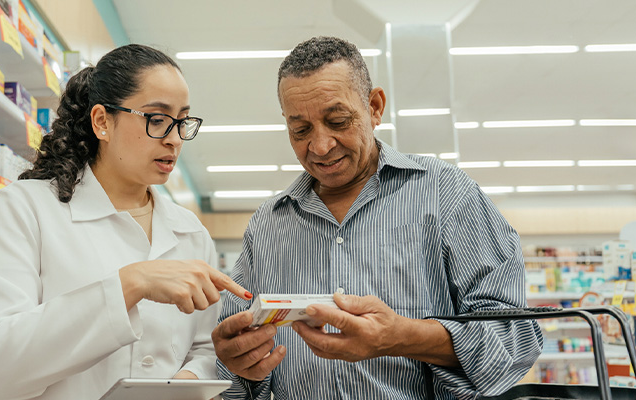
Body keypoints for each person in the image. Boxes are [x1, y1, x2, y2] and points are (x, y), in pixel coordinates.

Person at [212, 36, 543, 399]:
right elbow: (231, 372)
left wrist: (401, 337)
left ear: (374, 107)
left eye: (337, 120)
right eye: (301, 130)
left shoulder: (446, 194)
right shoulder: (267, 226)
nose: (321, 146)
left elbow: (515, 338)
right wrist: (238, 365)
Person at [0, 44, 251, 400]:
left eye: (182, 122)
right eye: (157, 120)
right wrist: (129, 284)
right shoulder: (24, 209)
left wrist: (186, 382)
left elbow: (203, 349)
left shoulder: (190, 232)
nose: (174, 139)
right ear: (102, 121)